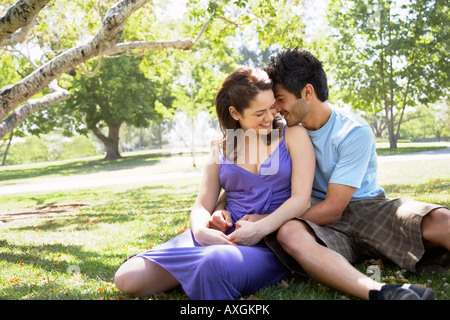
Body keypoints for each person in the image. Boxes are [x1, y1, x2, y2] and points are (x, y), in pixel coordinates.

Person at [211, 48, 449, 300]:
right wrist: (221, 206)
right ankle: (382, 293)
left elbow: (334, 208)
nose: (275, 110)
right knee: (289, 233)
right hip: (314, 221)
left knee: (441, 219)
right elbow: (250, 180)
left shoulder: (352, 131)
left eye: (279, 100)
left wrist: (266, 220)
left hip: (366, 208)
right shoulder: (281, 132)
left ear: (307, 92)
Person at [114, 67, 315, 300]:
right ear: (235, 113)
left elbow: (301, 200)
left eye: (272, 107)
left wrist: (259, 229)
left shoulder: (292, 135)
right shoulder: (220, 148)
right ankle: (198, 269)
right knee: (128, 278)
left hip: (267, 241)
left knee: (211, 263)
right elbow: (202, 204)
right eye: (259, 113)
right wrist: (201, 231)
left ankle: (205, 271)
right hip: (221, 236)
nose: (270, 117)